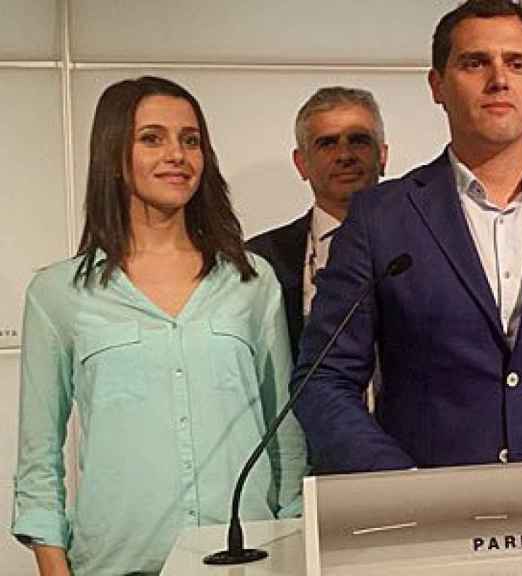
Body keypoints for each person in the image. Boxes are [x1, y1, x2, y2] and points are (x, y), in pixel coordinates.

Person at [293, 0, 522, 473]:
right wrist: (397, 486)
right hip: (430, 515)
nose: (499, 79)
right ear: (437, 85)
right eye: (475, 63)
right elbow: (322, 377)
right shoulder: (380, 217)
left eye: (517, 63)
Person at [11, 76, 306, 575]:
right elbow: (38, 459)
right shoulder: (58, 293)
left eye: (190, 140)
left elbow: (285, 438)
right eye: (152, 138)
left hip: (248, 560)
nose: (177, 154)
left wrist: (295, 542)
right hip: (118, 565)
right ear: (113, 154)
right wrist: (52, 566)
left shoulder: (251, 282)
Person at [247, 86, 389, 359]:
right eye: (327, 143)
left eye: (359, 140)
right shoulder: (261, 259)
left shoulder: (425, 243)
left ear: (382, 156)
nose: (344, 155)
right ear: (301, 163)